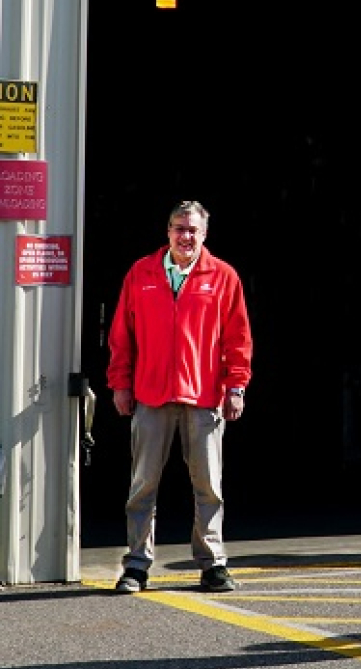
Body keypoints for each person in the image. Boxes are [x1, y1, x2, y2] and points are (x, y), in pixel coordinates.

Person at [107, 200, 253, 595]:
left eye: (192, 230)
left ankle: (212, 564)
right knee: (143, 485)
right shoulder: (141, 273)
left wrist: (236, 386)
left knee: (208, 486)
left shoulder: (223, 276)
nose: (184, 236)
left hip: (204, 396)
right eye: (178, 228)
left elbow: (238, 338)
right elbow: (122, 335)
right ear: (167, 231)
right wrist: (120, 383)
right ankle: (136, 565)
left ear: (204, 234)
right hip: (151, 395)